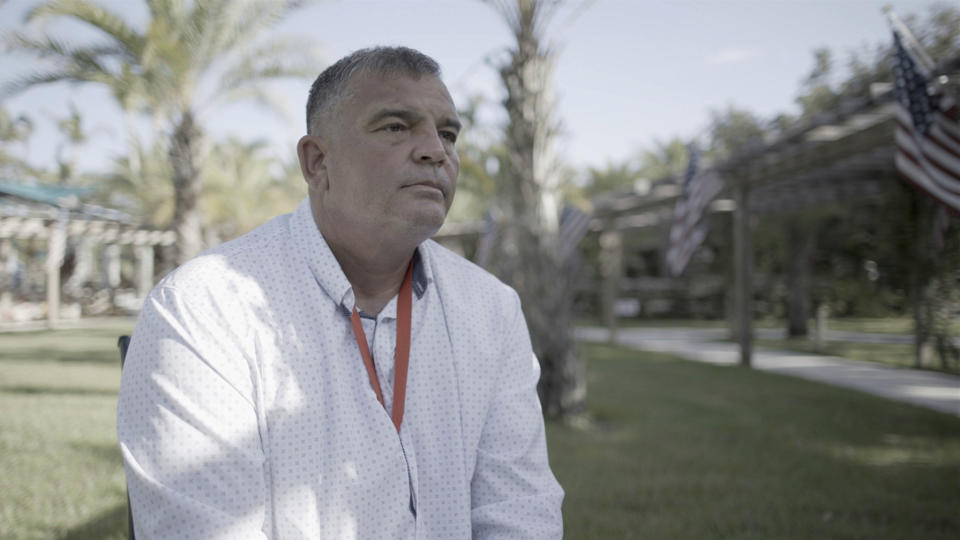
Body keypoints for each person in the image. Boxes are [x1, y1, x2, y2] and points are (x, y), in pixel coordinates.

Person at [117, 46, 564, 539]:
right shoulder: (206, 307)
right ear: (317, 162)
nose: (435, 150)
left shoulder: (491, 310)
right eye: (396, 126)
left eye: (448, 133)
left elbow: (521, 514)